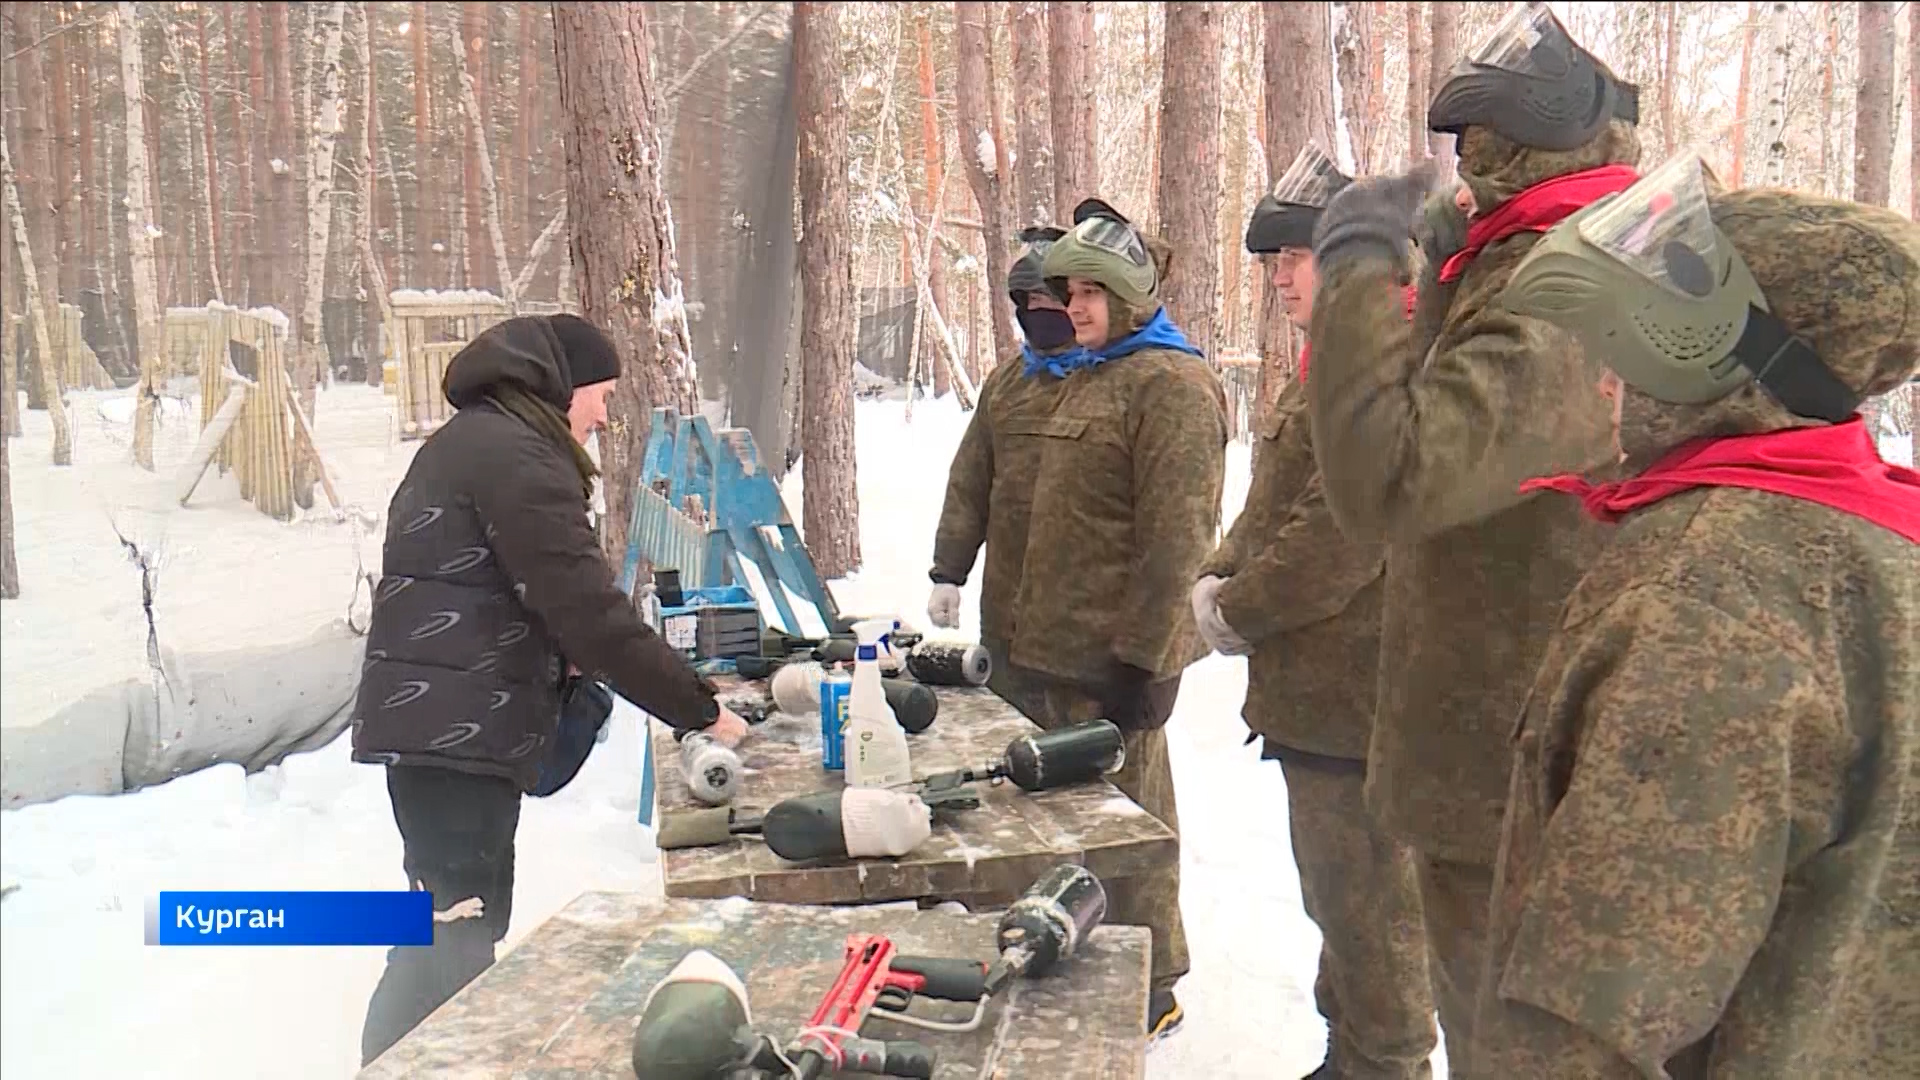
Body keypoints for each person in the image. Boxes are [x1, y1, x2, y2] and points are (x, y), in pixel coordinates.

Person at [1473, 156, 1920, 1078]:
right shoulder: (1880, 539)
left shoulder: (1704, 598)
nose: (1603, 380)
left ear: (1700, 341)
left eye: (1617, 339)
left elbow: (1594, 1015)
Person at [1301, 3, 1640, 1068]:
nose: (1459, 171)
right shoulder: (1536, 261)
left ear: (1512, 147)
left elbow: (1390, 474)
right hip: (1492, 761)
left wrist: (1360, 264)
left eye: (1473, 148)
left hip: (1521, 779)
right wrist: (1444, 270)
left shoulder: (1570, 287)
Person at [352, 313, 748, 1064]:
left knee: (439, 931)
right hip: (455, 741)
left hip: (441, 732)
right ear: (563, 387)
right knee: (451, 944)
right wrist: (701, 709)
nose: (603, 415)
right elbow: (589, 615)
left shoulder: (481, 440)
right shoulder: (518, 458)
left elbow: (512, 597)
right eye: (600, 395)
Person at [1193, 145, 1437, 1080]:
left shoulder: (1393, 365)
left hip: (1363, 703)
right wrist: (1220, 570)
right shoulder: (1327, 364)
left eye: (1296, 258)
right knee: (1341, 904)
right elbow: (1278, 500)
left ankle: (1384, 1065)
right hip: (1322, 700)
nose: (1280, 278)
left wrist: (1238, 608)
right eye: (1274, 262)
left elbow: (1342, 537)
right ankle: (1351, 1058)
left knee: (1374, 918)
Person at [993, 198, 1229, 1041]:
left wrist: (1145, 661)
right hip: (1049, 649)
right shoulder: (1089, 376)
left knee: (1130, 825)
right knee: (1055, 822)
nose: (1075, 307)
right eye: (1070, 292)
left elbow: (1179, 540)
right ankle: (1073, 951)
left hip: (1115, 665)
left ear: (1130, 297)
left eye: (1092, 292)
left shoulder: (1175, 387)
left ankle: (1154, 980)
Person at [927, 226, 1084, 720]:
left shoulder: (1110, 381)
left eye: (1051, 300)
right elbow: (969, 484)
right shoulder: (1007, 385)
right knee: (1008, 731)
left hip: (1083, 618)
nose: (1041, 311)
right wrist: (948, 573)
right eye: (1031, 300)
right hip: (1007, 612)